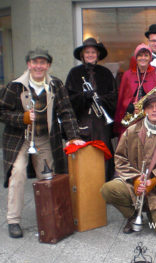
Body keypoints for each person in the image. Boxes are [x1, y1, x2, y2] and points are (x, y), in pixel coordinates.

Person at [1, 48, 86, 238]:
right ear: (28, 65)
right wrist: (21, 118)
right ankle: (13, 220)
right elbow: (2, 112)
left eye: (43, 63)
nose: (39, 66)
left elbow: (66, 112)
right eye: (35, 62)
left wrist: (73, 136)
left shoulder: (55, 84)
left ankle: (50, 218)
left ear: (48, 65)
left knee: (48, 178)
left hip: (44, 139)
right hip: (19, 139)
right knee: (18, 174)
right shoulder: (15, 86)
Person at [100, 94, 156, 237]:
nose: (154, 110)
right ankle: (133, 216)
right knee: (108, 190)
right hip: (133, 185)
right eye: (150, 107)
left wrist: (154, 181)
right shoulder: (131, 131)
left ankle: (151, 209)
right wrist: (136, 179)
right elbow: (120, 159)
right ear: (145, 111)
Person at [65, 38, 118, 181]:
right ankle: (86, 187)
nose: (90, 54)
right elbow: (68, 97)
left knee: (103, 152)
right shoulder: (74, 73)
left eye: (93, 52)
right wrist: (83, 96)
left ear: (98, 54)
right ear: (82, 55)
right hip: (82, 119)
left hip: (101, 121)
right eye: (87, 52)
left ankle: (103, 185)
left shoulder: (105, 73)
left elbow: (114, 95)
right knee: (84, 153)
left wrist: (101, 99)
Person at [114, 43, 156, 136]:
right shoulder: (127, 75)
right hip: (132, 119)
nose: (143, 58)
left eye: (146, 55)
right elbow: (122, 98)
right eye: (140, 55)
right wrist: (128, 106)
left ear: (150, 58)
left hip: (152, 119)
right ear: (136, 57)